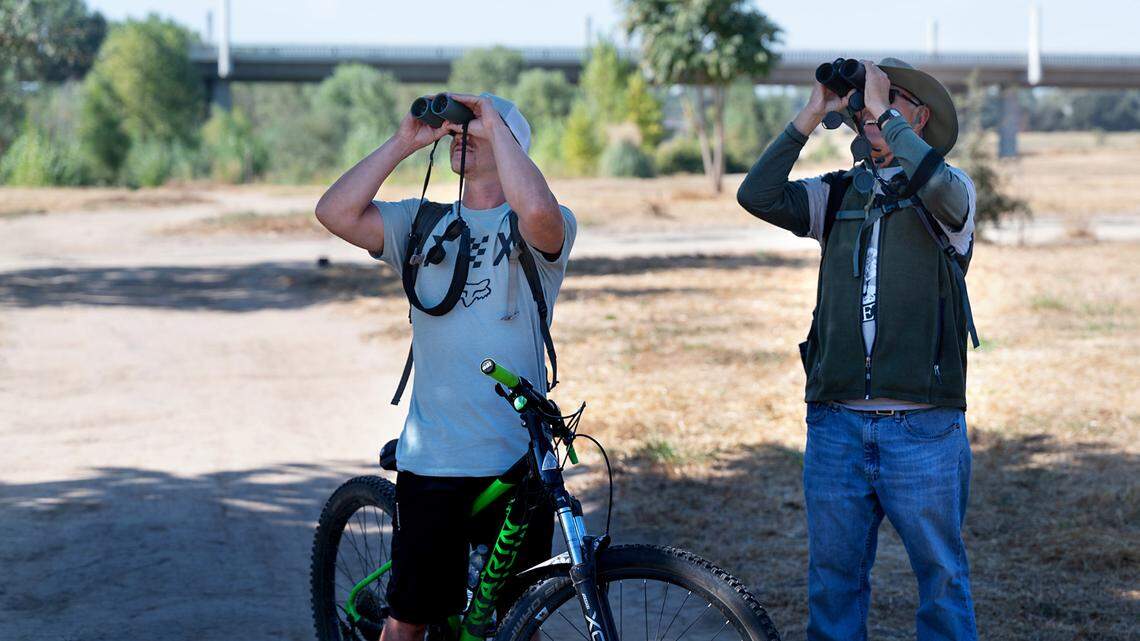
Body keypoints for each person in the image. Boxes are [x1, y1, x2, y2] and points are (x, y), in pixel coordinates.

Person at [315, 92, 576, 641]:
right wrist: (405, 142)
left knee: (512, 623)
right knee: (408, 622)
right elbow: (334, 212)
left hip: (517, 460)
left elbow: (538, 214)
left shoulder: (547, 223)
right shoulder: (420, 220)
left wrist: (491, 121)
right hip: (435, 455)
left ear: (511, 143)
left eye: (478, 128)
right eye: (462, 127)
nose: (462, 133)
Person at [737, 58, 979, 640]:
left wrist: (884, 113)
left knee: (942, 580)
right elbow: (757, 194)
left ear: (918, 118)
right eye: (872, 97)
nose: (874, 106)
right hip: (837, 423)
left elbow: (941, 191)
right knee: (833, 581)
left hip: (923, 426)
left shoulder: (950, 191)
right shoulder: (840, 192)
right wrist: (814, 111)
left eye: (894, 99)